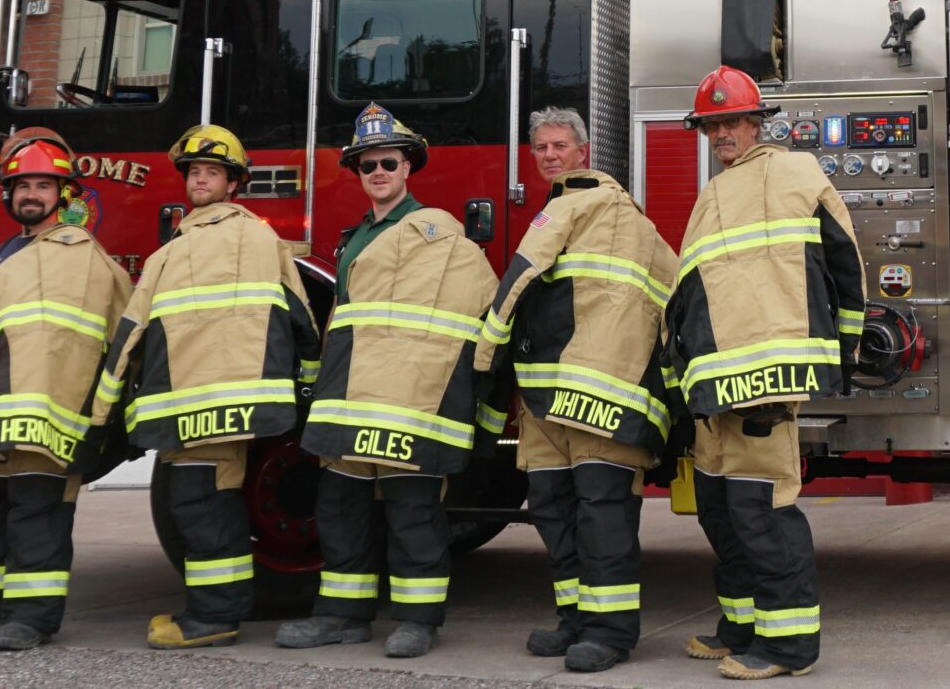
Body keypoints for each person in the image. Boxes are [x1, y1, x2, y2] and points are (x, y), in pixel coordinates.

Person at [88, 122, 322, 650]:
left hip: (191, 406)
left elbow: (129, 334)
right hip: (239, 406)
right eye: (194, 171)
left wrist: (101, 413)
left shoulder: (173, 252)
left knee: (201, 505)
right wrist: (307, 390)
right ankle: (216, 610)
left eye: (211, 172)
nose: (200, 180)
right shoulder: (263, 238)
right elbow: (303, 318)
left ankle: (213, 617)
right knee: (211, 502)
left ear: (233, 183)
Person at [278, 106, 499, 659]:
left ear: (408, 167)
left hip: (409, 401)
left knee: (413, 509)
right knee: (339, 507)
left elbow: (478, 312)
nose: (377, 171)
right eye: (366, 164)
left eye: (388, 162)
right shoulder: (356, 240)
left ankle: (419, 621)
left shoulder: (439, 235)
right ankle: (342, 616)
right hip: (352, 397)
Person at [667, 67, 865, 681]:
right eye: (712, 124)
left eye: (732, 121)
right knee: (721, 510)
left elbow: (845, 261)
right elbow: (693, 291)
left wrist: (845, 350)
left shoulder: (795, 171)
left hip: (767, 380)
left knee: (762, 510)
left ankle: (788, 647)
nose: (722, 132)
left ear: (757, 121)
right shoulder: (714, 193)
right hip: (717, 385)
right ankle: (743, 628)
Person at [475, 106, 677, 674]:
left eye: (559, 146)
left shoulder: (571, 204)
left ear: (583, 154)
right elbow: (676, 286)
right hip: (554, 398)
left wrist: (483, 357)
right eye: (540, 147)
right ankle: (576, 619)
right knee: (557, 507)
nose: (549, 155)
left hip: (589, 396)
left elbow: (519, 275)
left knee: (597, 511)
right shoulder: (636, 219)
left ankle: (610, 632)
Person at [0, 128, 131, 651]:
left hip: (52, 416)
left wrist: (101, 424)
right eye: (22, 187)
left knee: (38, 513)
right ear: (8, 195)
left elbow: (116, 343)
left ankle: (34, 618)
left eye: (43, 186)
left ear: (65, 196)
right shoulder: (8, 255)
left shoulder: (85, 260)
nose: (31, 195)